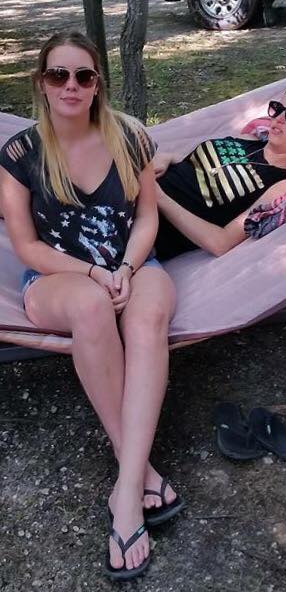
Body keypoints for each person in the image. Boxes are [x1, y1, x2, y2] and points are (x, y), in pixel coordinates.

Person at [0, 31, 181, 582]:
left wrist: (125, 267)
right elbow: (27, 245)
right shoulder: (20, 153)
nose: (71, 86)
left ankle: (126, 487)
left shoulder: (129, 138)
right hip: (57, 280)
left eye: (84, 75)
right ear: (42, 83)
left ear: (97, 83)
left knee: (148, 314)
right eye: (59, 75)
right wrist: (94, 274)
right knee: (91, 308)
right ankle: (137, 481)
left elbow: (148, 218)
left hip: (132, 267)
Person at [154, 85, 286, 260]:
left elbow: (221, 243)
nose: (279, 118)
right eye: (277, 108)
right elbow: (196, 165)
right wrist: (168, 157)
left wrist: (159, 198)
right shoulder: (248, 139)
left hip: (146, 224)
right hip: (138, 184)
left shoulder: (280, 185)